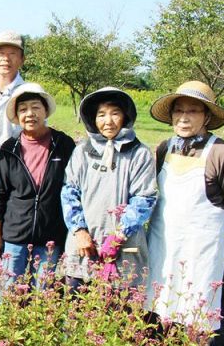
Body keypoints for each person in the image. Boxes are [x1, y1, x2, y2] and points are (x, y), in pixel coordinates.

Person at [145, 82, 224, 346]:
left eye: (192, 111)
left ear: (206, 117)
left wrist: (207, 229)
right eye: (179, 111)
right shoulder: (164, 149)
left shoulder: (222, 153)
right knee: (161, 298)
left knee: (201, 306)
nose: (184, 118)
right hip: (164, 238)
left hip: (202, 243)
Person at [60, 87, 157, 290]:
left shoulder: (139, 153)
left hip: (124, 245)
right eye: (101, 115)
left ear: (125, 117)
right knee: (77, 308)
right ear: (92, 118)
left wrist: (118, 237)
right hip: (84, 244)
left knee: (118, 311)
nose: (108, 121)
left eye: (115, 113)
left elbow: (144, 198)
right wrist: (79, 231)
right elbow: (69, 191)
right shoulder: (82, 151)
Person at [0, 83, 75, 288]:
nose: (30, 114)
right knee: (7, 294)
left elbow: (73, 188)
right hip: (15, 234)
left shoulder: (64, 144)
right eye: (23, 109)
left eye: (36, 107)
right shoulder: (9, 148)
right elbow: (1, 192)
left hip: (50, 235)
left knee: (42, 296)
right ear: (17, 115)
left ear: (45, 110)